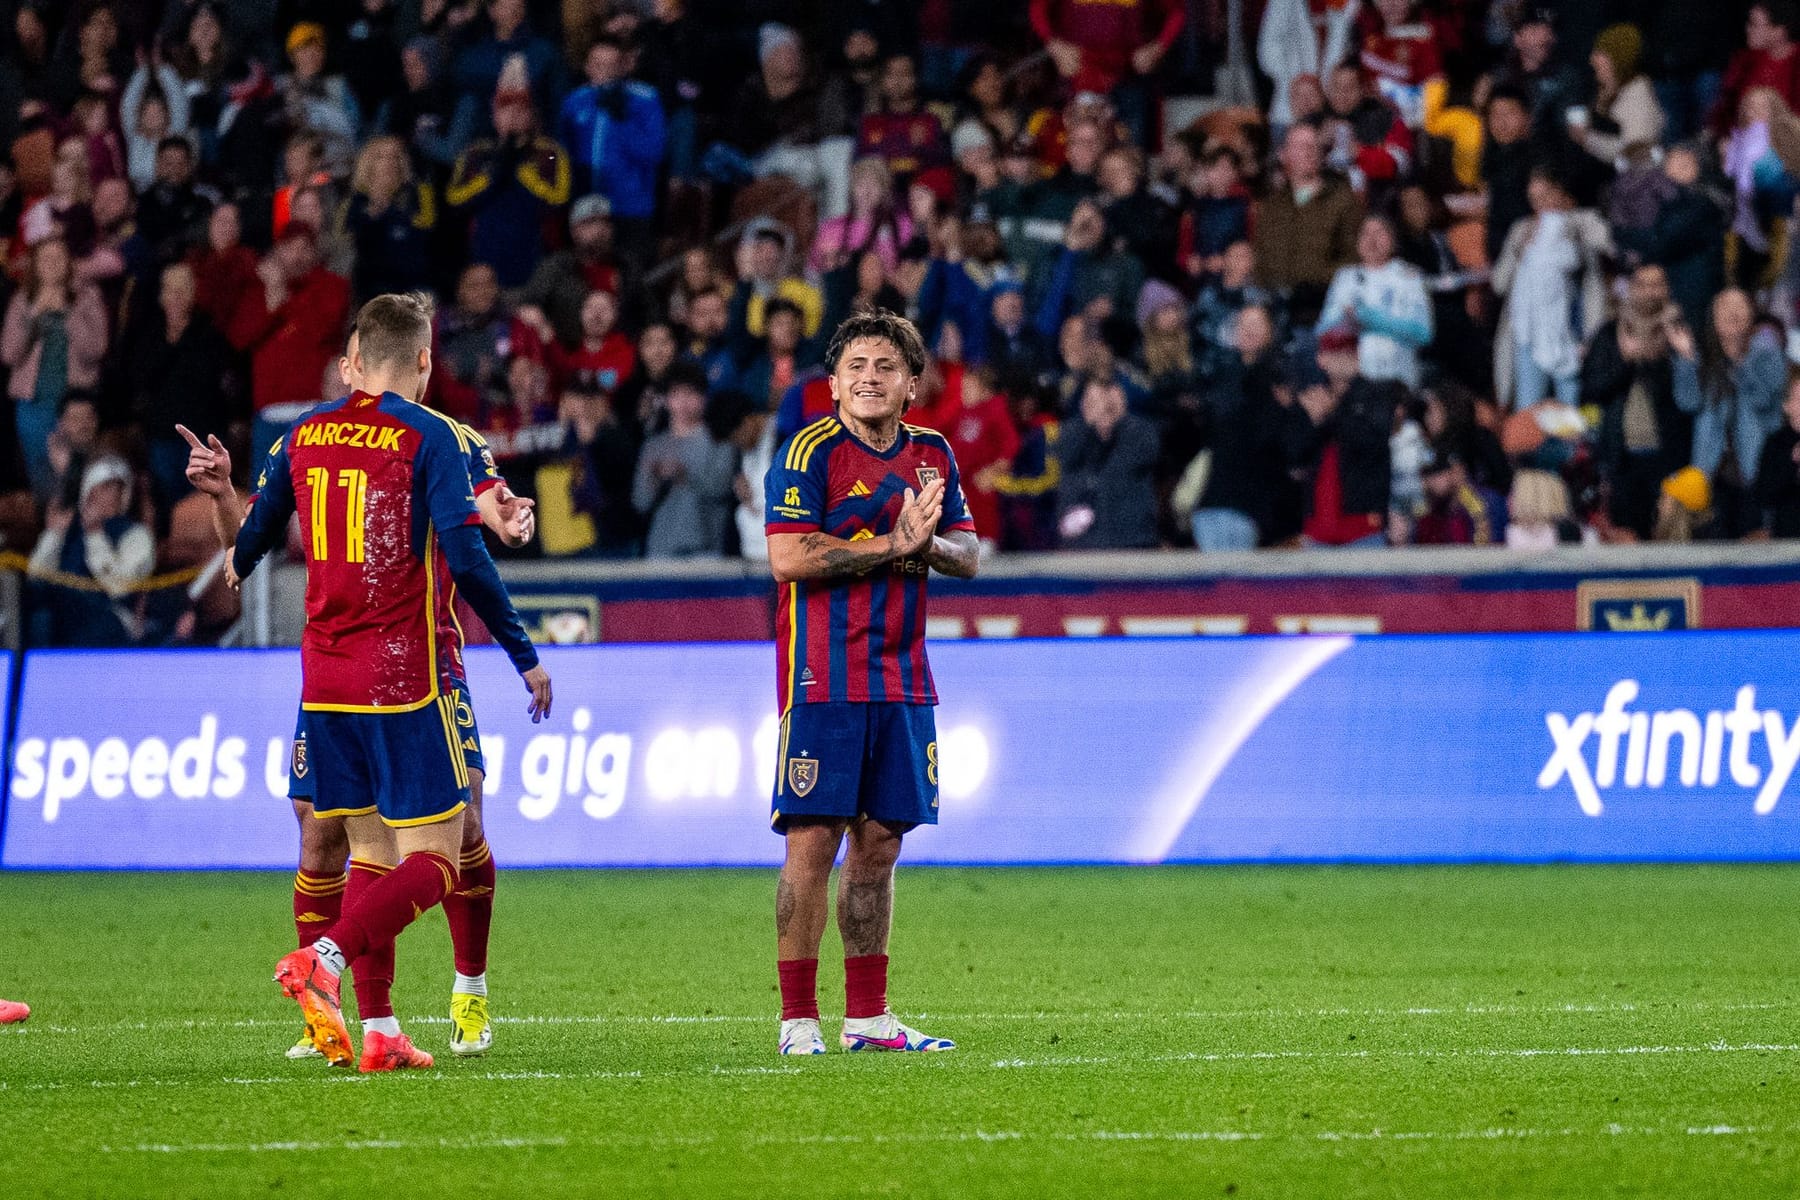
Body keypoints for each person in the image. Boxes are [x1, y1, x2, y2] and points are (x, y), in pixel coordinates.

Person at [184, 325, 536, 1059]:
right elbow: (244, 540)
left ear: (361, 364)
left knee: (461, 825)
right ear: (416, 363)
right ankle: (346, 1015)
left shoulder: (448, 438)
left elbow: (491, 500)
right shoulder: (322, 438)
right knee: (331, 834)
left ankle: (465, 996)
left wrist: (506, 511)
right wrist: (223, 492)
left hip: (419, 665)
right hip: (386, 673)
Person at [761, 309, 978, 1056]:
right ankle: (797, 1020)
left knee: (881, 846)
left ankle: (867, 1018)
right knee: (813, 843)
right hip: (823, 675)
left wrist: (932, 546)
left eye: (886, 366)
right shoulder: (808, 452)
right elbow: (788, 557)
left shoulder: (934, 455)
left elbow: (970, 554)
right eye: (856, 366)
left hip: (904, 676)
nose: (870, 378)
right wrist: (894, 544)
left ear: (911, 384)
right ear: (833, 384)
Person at [1672, 288, 1788, 536]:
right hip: (1712, 469)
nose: (1732, 312)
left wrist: (1741, 359)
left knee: (1755, 545)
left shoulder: (1768, 354)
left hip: (1755, 468)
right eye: (1724, 307)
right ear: (1712, 318)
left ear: (1752, 314)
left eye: (1739, 306)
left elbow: (1763, 400)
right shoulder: (1704, 359)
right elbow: (1687, 403)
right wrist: (1687, 359)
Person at [1492, 168, 1611, 408]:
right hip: (1528, 335)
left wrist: (1573, 230)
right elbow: (1498, 284)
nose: (1540, 205)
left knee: (1573, 411)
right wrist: (1519, 249)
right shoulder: (1521, 229)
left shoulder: (1580, 222)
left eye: (1546, 196)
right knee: (1529, 412)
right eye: (1534, 199)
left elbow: (1611, 242)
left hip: (1572, 334)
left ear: (1561, 193)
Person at [3, 236, 108, 499]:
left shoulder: (87, 296)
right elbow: (9, 354)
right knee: (42, 480)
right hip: (33, 405)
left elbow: (96, 349)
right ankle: (48, 531)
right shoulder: (22, 300)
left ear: (69, 263)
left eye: (58, 258)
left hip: (75, 408)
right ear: (36, 265)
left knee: (74, 477)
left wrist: (68, 311)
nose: (51, 264)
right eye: (45, 259)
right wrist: (34, 316)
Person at [557, 34, 665, 281]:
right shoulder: (575, 101)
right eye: (598, 64)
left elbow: (653, 152)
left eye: (611, 65)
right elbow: (561, 155)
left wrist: (621, 120)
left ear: (623, 67)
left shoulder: (645, 99)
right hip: (585, 207)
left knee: (630, 280)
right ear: (587, 67)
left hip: (629, 208)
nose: (604, 72)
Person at [27, 455, 154, 646]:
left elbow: (119, 588)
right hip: (64, 613)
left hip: (109, 618)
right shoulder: (68, 530)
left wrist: (95, 535)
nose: (111, 495)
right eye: (104, 487)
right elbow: (36, 576)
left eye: (117, 488)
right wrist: (54, 535)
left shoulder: (136, 534)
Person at [632, 361, 739, 558]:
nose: (683, 402)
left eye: (690, 394)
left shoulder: (720, 441)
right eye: (675, 394)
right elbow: (640, 503)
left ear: (703, 398)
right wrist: (655, 479)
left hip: (707, 551)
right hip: (660, 550)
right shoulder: (653, 446)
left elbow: (722, 488)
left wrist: (685, 473)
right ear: (665, 400)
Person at [1319, 215, 1433, 388]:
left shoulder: (1409, 276)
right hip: (1348, 373)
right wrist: (1346, 321)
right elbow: (1323, 328)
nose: (1372, 240)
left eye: (1380, 233)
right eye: (1365, 233)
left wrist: (1370, 319)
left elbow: (1423, 333)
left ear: (1393, 240)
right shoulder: (1345, 276)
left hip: (1394, 373)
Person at [1055, 376, 1160, 550]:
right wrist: (1087, 425)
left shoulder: (1139, 432)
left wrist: (1119, 421)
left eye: (1108, 403)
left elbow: (1136, 458)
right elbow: (1066, 456)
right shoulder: (1071, 432)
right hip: (1081, 543)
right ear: (1083, 404)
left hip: (1132, 541)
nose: (1103, 408)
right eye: (1094, 401)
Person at [1754, 372, 1800, 536]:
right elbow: (1764, 494)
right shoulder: (1775, 443)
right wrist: (1792, 461)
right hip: (1788, 535)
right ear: (1786, 406)